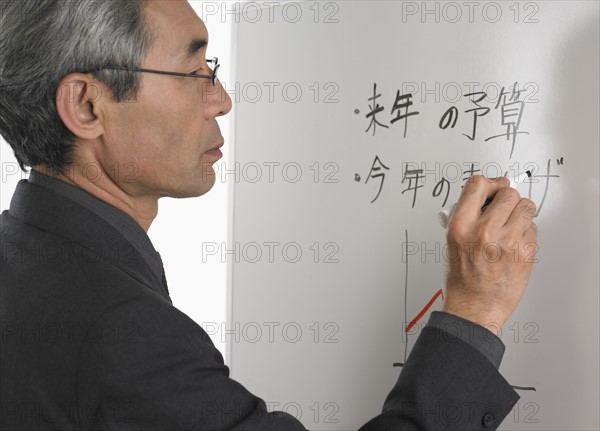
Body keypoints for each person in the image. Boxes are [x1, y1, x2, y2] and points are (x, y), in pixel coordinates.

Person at [0, 1, 538, 429]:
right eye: (194, 71)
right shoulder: (125, 333)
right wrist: (474, 311)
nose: (223, 99)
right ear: (87, 106)